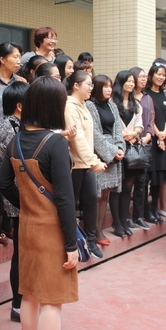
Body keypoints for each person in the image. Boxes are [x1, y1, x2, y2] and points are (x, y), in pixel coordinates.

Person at [0, 77, 79, 330]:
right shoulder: (55, 143)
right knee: (52, 302)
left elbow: (3, 183)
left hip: (27, 226)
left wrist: (27, 204)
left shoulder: (16, 140)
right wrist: (71, 244)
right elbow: (65, 199)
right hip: (52, 231)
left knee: (29, 296)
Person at [0, 82, 29, 323]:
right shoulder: (9, 127)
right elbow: (9, 166)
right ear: (20, 105)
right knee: (20, 253)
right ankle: (17, 305)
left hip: (22, 196)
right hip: (16, 197)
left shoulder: (19, 124)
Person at [65, 71, 106, 259]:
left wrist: (93, 159)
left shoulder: (84, 105)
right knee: (71, 204)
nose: (91, 88)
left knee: (91, 202)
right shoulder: (69, 106)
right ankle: (72, 244)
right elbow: (78, 139)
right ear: (76, 85)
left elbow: (90, 136)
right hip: (75, 165)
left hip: (87, 163)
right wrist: (94, 161)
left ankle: (90, 241)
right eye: (88, 84)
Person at [86, 75, 125, 239]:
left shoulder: (112, 105)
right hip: (98, 154)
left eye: (110, 86)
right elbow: (94, 133)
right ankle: (94, 231)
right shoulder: (89, 105)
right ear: (97, 87)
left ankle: (100, 229)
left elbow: (118, 130)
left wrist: (120, 147)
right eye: (105, 86)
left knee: (105, 195)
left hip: (114, 154)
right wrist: (111, 151)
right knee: (96, 195)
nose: (109, 90)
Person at [111, 71, 145, 232]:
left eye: (132, 81)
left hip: (131, 148)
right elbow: (112, 123)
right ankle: (116, 221)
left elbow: (140, 124)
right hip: (117, 148)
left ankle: (125, 218)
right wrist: (125, 135)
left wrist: (134, 133)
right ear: (121, 82)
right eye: (128, 81)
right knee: (117, 185)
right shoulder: (112, 102)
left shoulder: (136, 103)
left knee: (128, 185)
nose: (131, 84)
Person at [145, 62, 166, 219]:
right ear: (152, 74)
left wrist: (164, 132)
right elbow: (149, 116)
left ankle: (155, 207)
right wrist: (157, 134)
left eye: (163, 75)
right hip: (151, 139)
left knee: (160, 176)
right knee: (150, 175)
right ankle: (146, 209)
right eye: (158, 74)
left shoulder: (164, 94)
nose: (161, 77)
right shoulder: (146, 93)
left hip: (163, 139)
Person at [129, 67, 156, 226]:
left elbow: (151, 119)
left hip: (144, 143)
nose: (144, 79)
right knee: (128, 183)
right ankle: (126, 217)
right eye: (140, 76)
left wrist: (148, 136)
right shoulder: (128, 96)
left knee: (142, 182)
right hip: (130, 142)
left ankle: (139, 216)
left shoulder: (148, 98)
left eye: (145, 76)